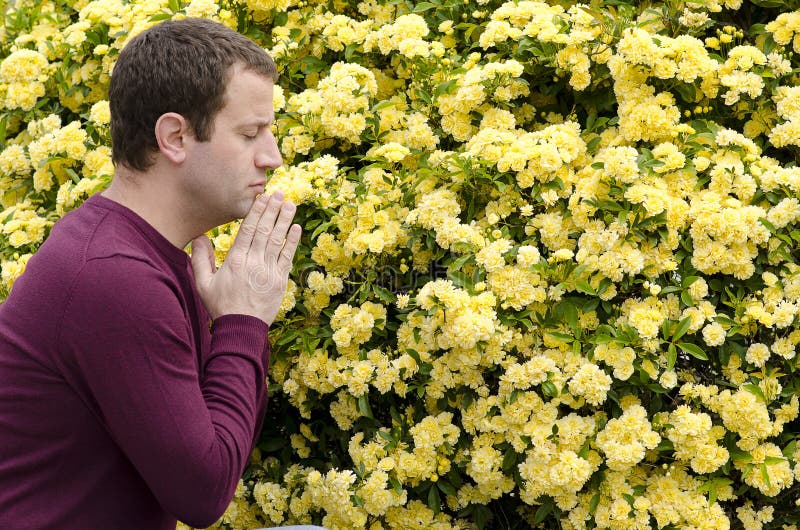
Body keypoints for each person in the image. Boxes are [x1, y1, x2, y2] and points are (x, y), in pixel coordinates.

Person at [0, 18, 322, 530]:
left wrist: (236, 321)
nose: (273, 156)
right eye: (249, 133)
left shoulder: (137, 250)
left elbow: (218, 446)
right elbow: (204, 494)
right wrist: (242, 323)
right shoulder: (112, 279)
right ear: (174, 136)